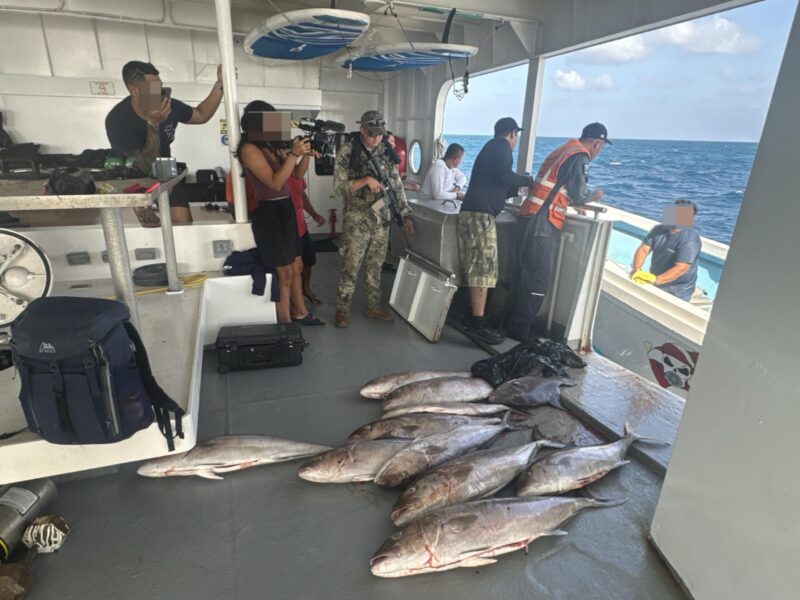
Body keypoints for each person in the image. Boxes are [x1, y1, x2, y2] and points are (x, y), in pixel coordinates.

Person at [506, 122, 609, 342]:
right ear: (597, 144)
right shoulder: (580, 155)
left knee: (523, 273)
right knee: (538, 277)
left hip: (530, 215)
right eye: (600, 146)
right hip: (543, 221)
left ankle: (508, 322)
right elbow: (579, 193)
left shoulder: (565, 148)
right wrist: (594, 196)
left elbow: (557, 185)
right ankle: (520, 330)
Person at [105, 60, 225, 224]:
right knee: (150, 224)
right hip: (134, 177)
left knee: (183, 221)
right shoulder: (118, 120)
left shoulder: (167, 105)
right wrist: (153, 124)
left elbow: (200, 115)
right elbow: (143, 164)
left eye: (159, 87)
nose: (158, 93)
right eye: (151, 89)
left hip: (165, 170)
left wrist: (220, 84)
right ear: (134, 90)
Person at [235, 100, 322, 326]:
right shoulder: (249, 149)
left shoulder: (271, 147)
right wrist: (293, 154)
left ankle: (299, 313)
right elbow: (274, 183)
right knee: (283, 273)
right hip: (269, 214)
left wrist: (306, 155)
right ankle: (284, 324)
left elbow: (296, 176)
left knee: (295, 267)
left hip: (286, 209)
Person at [333, 110, 415, 328]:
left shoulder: (387, 152)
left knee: (375, 265)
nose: (376, 139)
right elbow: (339, 187)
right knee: (351, 265)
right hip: (357, 217)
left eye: (379, 135)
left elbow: (396, 185)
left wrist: (405, 214)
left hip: (381, 217)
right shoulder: (348, 151)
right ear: (362, 130)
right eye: (372, 135)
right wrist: (364, 180)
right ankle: (342, 310)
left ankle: (373, 306)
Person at [458, 117, 533, 345]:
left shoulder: (490, 150)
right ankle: (477, 326)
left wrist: (516, 187)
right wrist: (529, 180)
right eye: (516, 136)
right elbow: (504, 176)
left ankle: (472, 317)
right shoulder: (500, 147)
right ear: (511, 133)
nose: (516, 140)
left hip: (473, 213)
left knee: (476, 269)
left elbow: (499, 184)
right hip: (480, 216)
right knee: (483, 270)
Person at [631, 200, 702, 301]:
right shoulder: (658, 229)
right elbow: (644, 249)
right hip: (656, 280)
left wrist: (655, 280)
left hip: (677, 290)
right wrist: (637, 269)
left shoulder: (690, 240)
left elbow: (681, 268)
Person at [287, 159, 326, 305]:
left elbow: (301, 194)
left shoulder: (297, 172)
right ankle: (293, 300)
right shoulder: (275, 173)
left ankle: (306, 288)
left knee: (309, 260)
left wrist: (314, 214)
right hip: (286, 230)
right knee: (292, 267)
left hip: (301, 227)